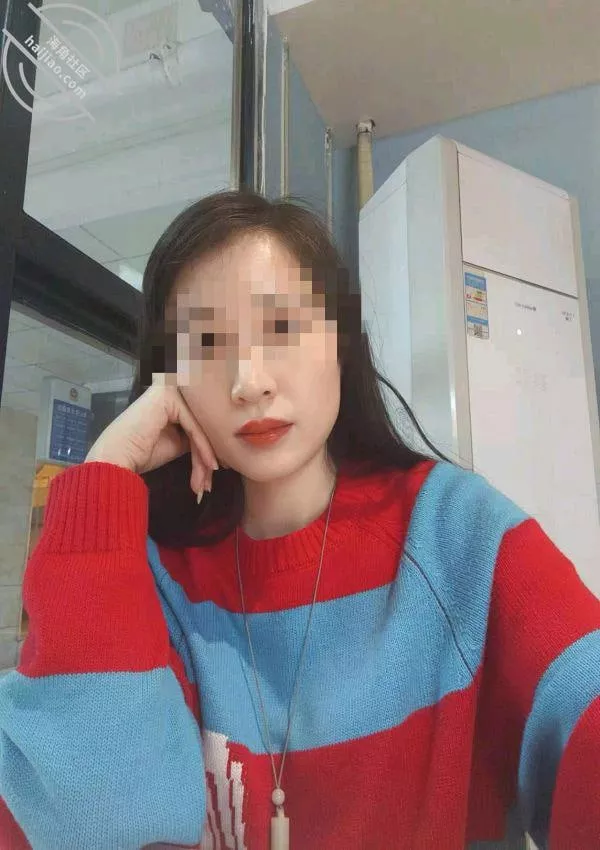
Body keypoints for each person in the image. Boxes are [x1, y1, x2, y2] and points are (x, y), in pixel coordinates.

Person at [0, 191, 598, 850]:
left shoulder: (456, 536)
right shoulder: (156, 579)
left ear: (341, 340)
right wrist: (107, 470)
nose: (249, 382)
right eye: (207, 344)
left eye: (281, 327)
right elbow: (86, 819)